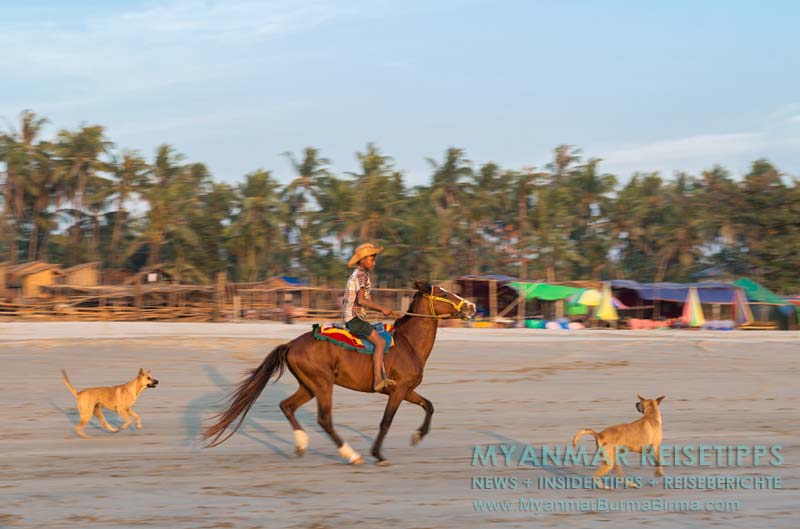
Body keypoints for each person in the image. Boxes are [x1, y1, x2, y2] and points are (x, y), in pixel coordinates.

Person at [343, 243, 397, 392]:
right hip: (355, 319)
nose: (374, 262)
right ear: (362, 260)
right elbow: (361, 300)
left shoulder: (361, 274)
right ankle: (377, 380)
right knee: (379, 343)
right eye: (372, 259)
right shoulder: (361, 275)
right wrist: (382, 308)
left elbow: (365, 299)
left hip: (356, 316)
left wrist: (374, 307)